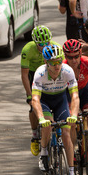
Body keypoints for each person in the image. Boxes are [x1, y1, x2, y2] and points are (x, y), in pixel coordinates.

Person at [31, 44, 80, 175]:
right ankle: (44, 152)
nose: (57, 65)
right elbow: (35, 99)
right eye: (53, 62)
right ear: (46, 63)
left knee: (66, 133)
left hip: (60, 100)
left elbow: (75, 96)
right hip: (45, 100)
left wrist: (74, 115)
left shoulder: (67, 71)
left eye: (59, 61)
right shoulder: (40, 73)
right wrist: (40, 118)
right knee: (47, 125)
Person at [21, 25, 57, 155]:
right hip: (32, 74)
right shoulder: (28, 49)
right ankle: (35, 135)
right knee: (33, 106)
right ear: (35, 42)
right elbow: (24, 75)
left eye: (47, 42)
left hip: (48, 73)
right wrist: (30, 96)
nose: (44, 46)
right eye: (41, 44)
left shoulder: (54, 47)